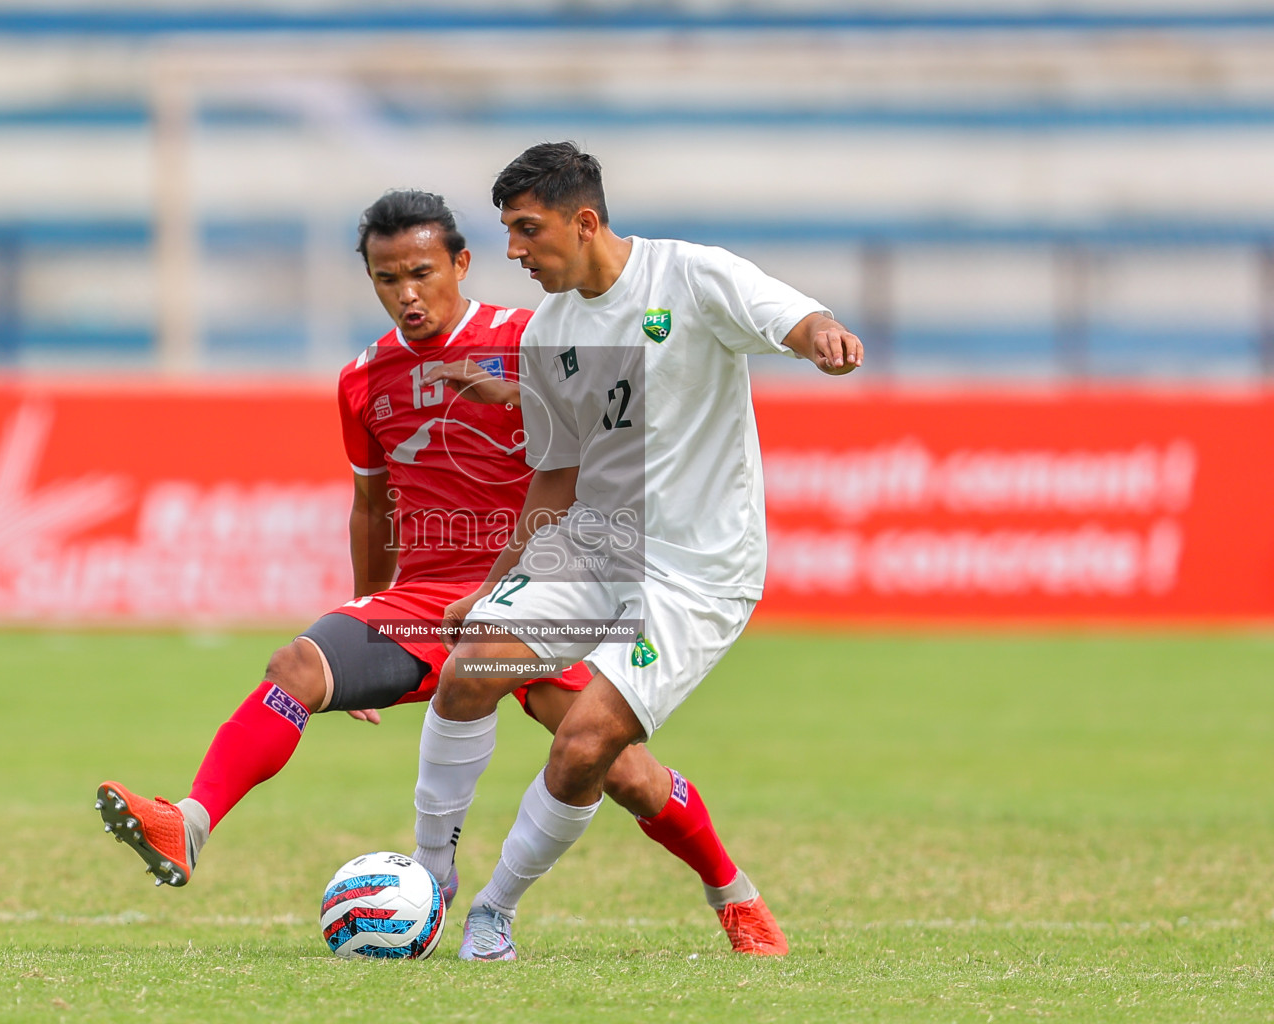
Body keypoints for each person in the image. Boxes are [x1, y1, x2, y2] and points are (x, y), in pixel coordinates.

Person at [94, 189, 784, 955]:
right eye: (387, 279)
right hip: (426, 603)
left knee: (621, 772)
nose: (407, 294)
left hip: (549, 586)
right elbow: (372, 506)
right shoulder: (363, 379)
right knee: (297, 665)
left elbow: (614, 436)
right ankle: (189, 822)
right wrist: (366, 606)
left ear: (460, 263)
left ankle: (733, 893)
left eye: (421, 272)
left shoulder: (537, 336)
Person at [409, 143, 863, 961]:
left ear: (584, 222)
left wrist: (822, 336)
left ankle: (495, 908)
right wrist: (493, 586)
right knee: (471, 662)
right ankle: (427, 872)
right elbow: (554, 479)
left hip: (698, 571)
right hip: (595, 542)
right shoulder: (550, 331)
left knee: (584, 744)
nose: (513, 251)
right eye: (508, 231)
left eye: (527, 229)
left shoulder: (691, 277)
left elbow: (791, 318)